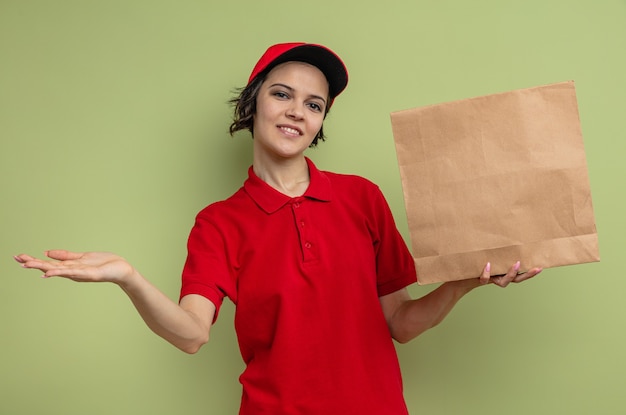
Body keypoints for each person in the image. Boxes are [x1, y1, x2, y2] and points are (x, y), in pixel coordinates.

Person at [14, 43, 543, 415]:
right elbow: (193, 334)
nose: (297, 112)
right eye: (281, 94)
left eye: (314, 105)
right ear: (252, 103)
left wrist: (465, 279)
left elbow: (400, 323)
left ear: (320, 122)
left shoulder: (361, 197)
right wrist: (128, 276)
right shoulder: (219, 222)